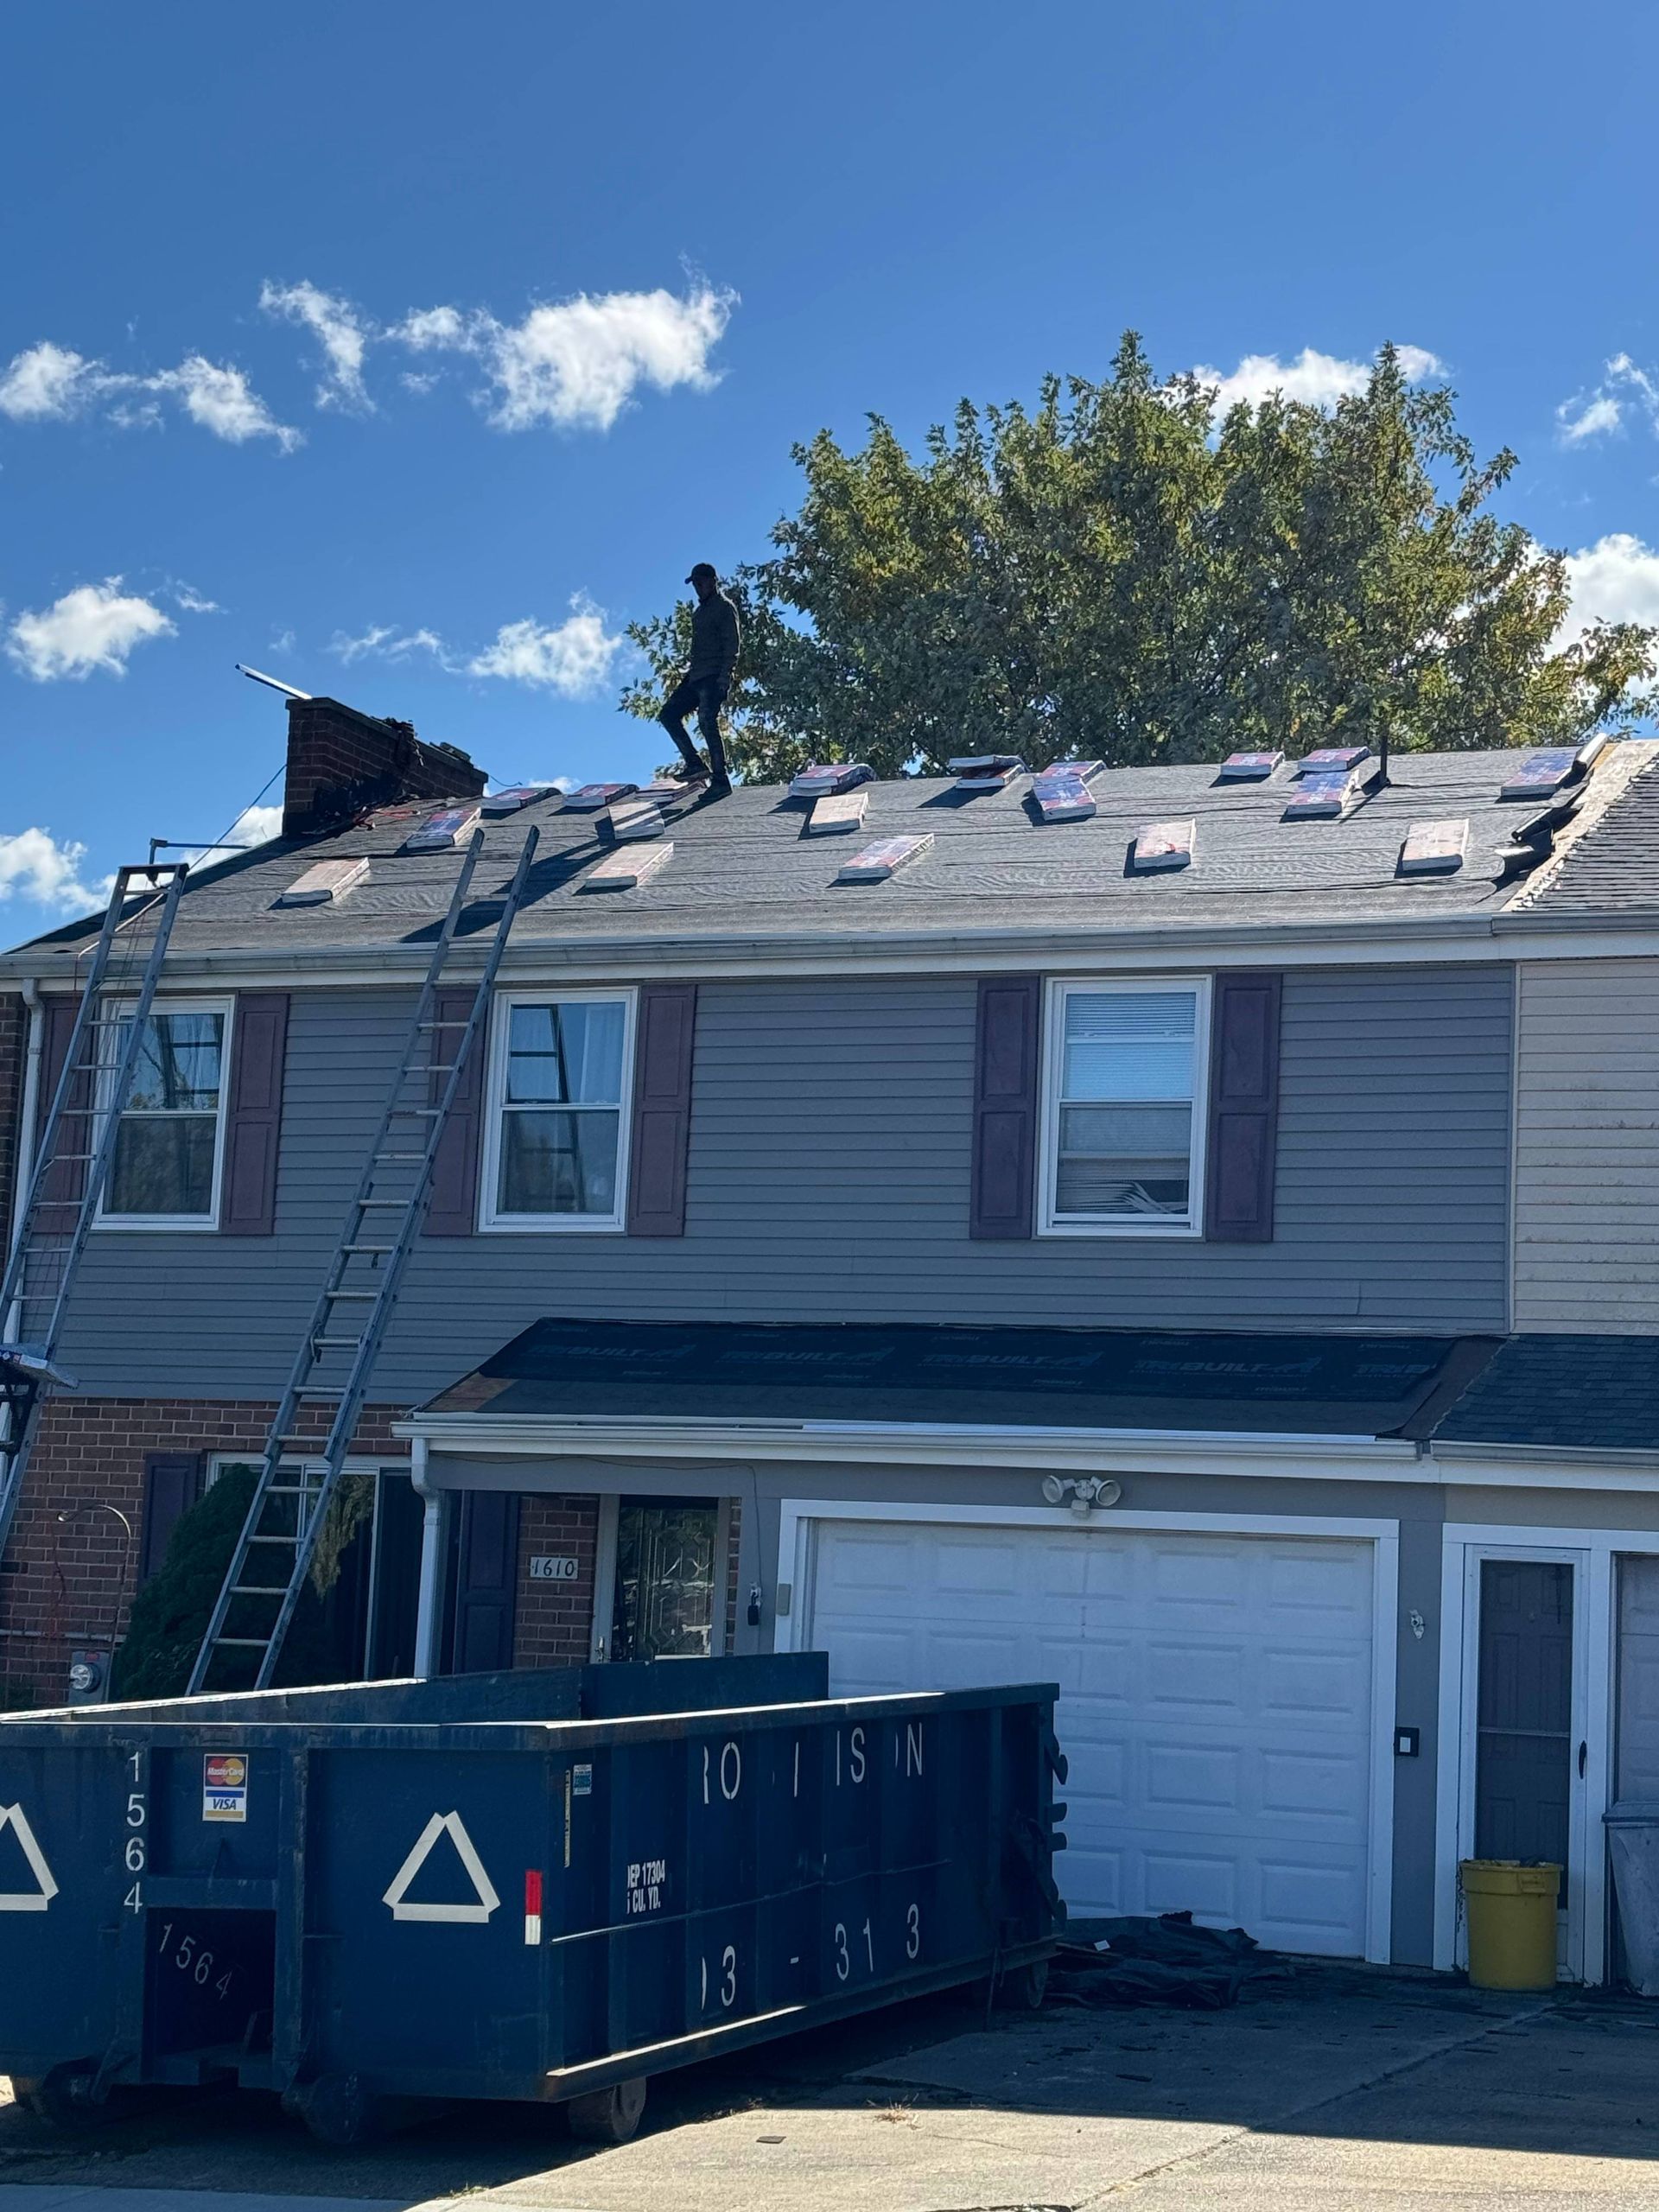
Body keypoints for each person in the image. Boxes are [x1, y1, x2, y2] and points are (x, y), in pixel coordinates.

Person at [658, 563, 739, 793]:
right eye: (694, 584)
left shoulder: (724, 607)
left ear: (713, 581)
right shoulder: (699, 613)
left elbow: (732, 644)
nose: (698, 588)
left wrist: (725, 676)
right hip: (696, 676)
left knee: (706, 721)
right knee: (668, 715)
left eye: (701, 583)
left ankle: (720, 780)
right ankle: (694, 764)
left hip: (714, 675)